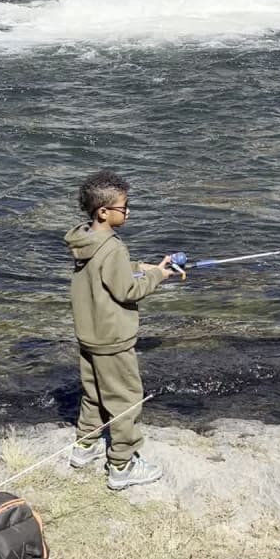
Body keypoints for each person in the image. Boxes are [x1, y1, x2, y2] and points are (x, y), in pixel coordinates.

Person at [64, 169, 174, 491]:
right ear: (104, 211)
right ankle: (122, 465)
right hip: (113, 339)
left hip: (89, 336)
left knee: (94, 393)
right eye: (124, 207)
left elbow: (109, 275)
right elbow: (127, 291)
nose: (128, 212)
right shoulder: (113, 247)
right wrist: (157, 278)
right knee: (126, 398)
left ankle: (85, 447)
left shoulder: (86, 240)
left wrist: (145, 268)